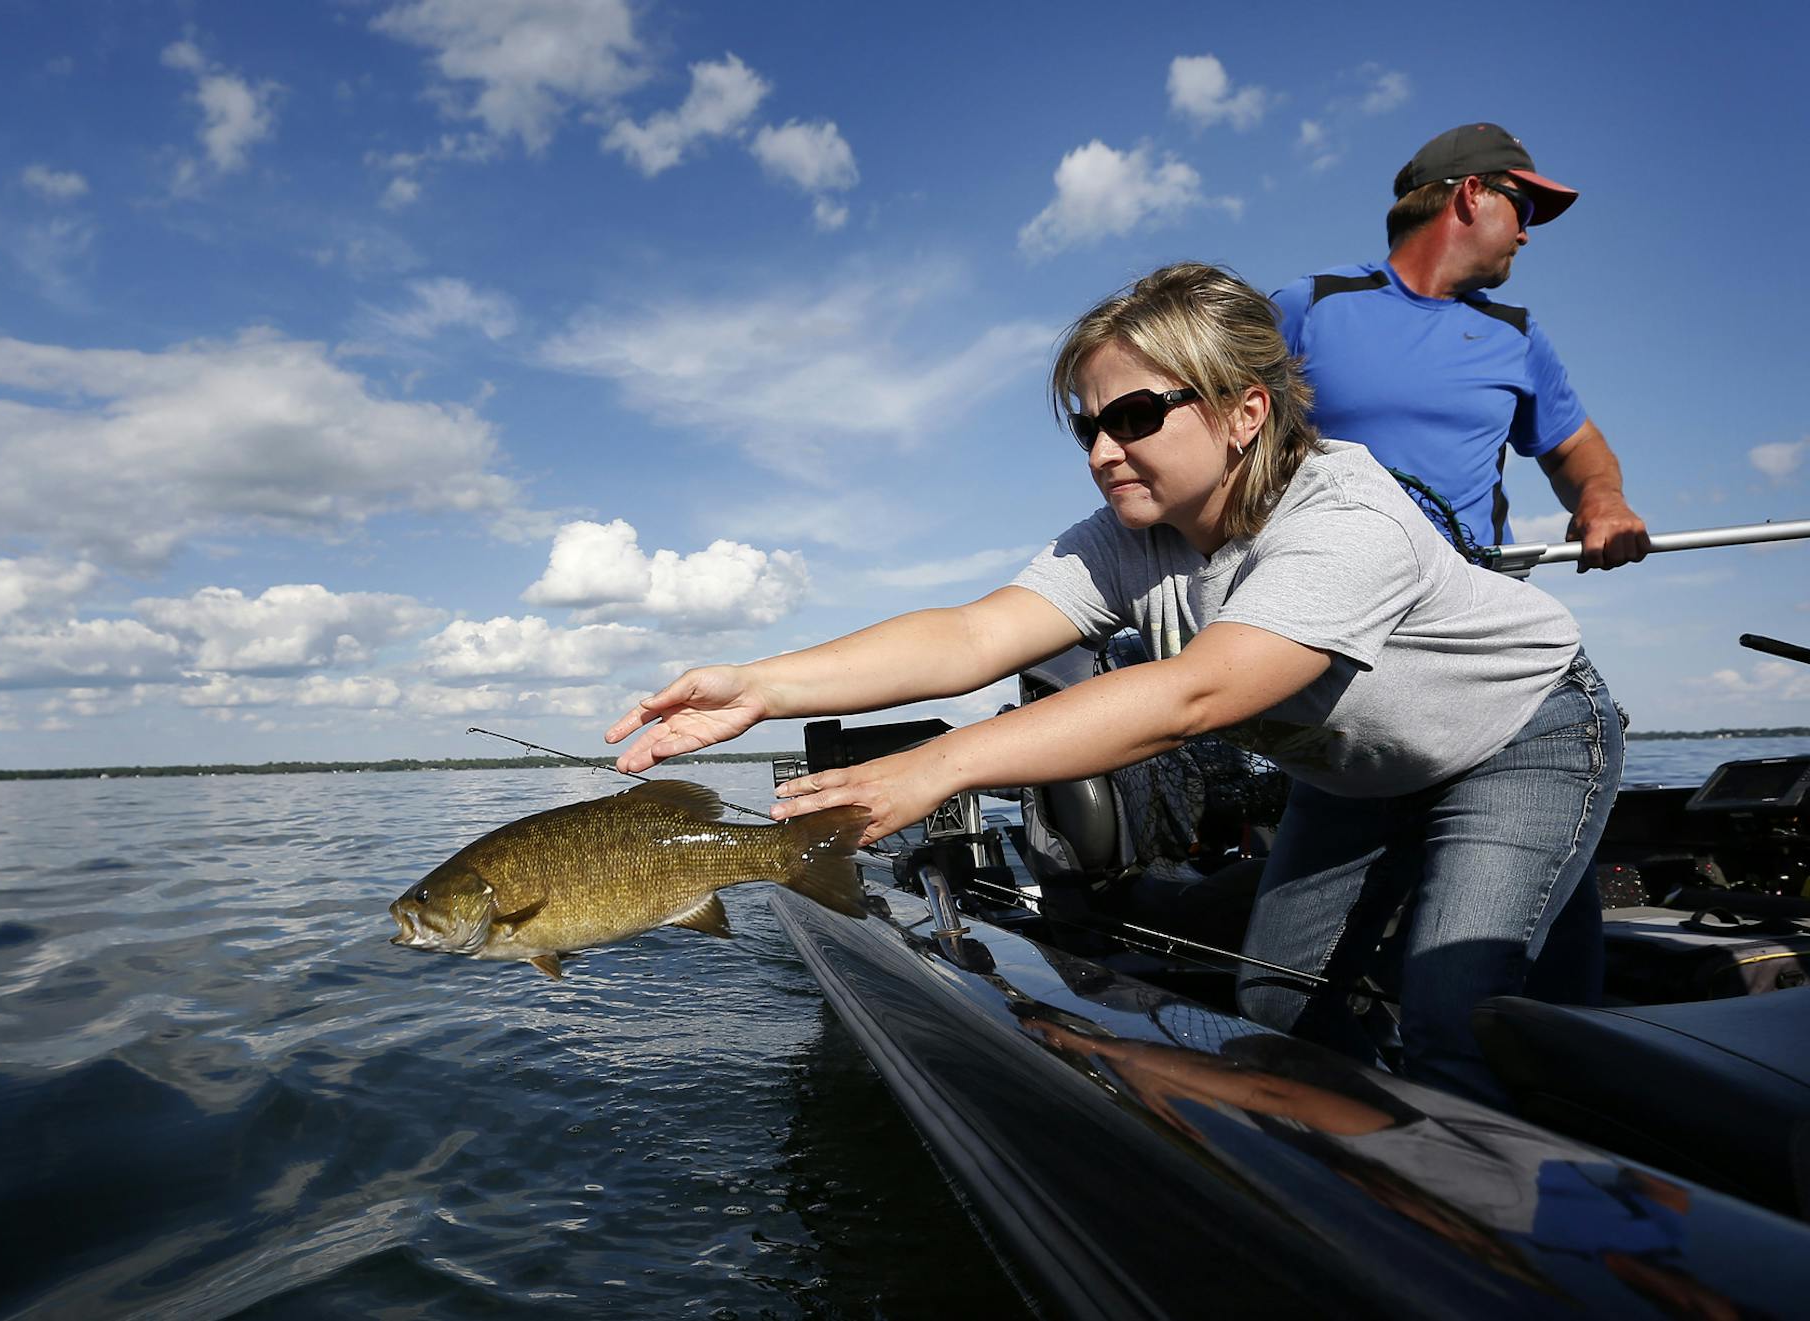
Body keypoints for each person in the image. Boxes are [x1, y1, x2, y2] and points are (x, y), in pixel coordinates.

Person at [605, 262, 1623, 1107]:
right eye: (1087, 425)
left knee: (1462, 1024)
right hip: (1360, 774)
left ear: (1244, 412)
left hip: (1517, 739)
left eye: (1133, 415)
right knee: (1275, 1007)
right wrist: (758, 685)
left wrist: (935, 768)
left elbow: (1197, 696)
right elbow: (973, 635)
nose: (1102, 451)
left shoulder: (1343, 518)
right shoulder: (1129, 537)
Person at [1270, 123, 1650, 570]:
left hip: (1479, 597)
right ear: (1472, 193)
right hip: (1327, 593)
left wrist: (1602, 499)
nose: (1525, 235)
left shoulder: (1516, 333)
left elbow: (1574, 445)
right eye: (1523, 211)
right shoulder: (1310, 306)